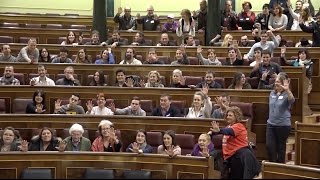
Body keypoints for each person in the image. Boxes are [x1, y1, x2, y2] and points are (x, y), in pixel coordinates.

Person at [209, 107, 260, 179]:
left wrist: (219, 130)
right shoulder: (229, 126)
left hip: (241, 157)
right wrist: (212, 133)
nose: (228, 117)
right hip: (232, 157)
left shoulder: (239, 126)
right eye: (227, 115)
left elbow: (229, 131)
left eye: (230, 115)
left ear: (236, 116)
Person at [266, 73, 295, 163]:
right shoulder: (272, 93)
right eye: (275, 81)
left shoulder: (287, 94)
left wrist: (288, 90)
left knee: (281, 148)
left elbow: (292, 100)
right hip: (271, 124)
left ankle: (279, 168)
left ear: (282, 83)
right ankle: (272, 167)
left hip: (283, 125)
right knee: (269, 146)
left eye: (278, 82)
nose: (276, 83)